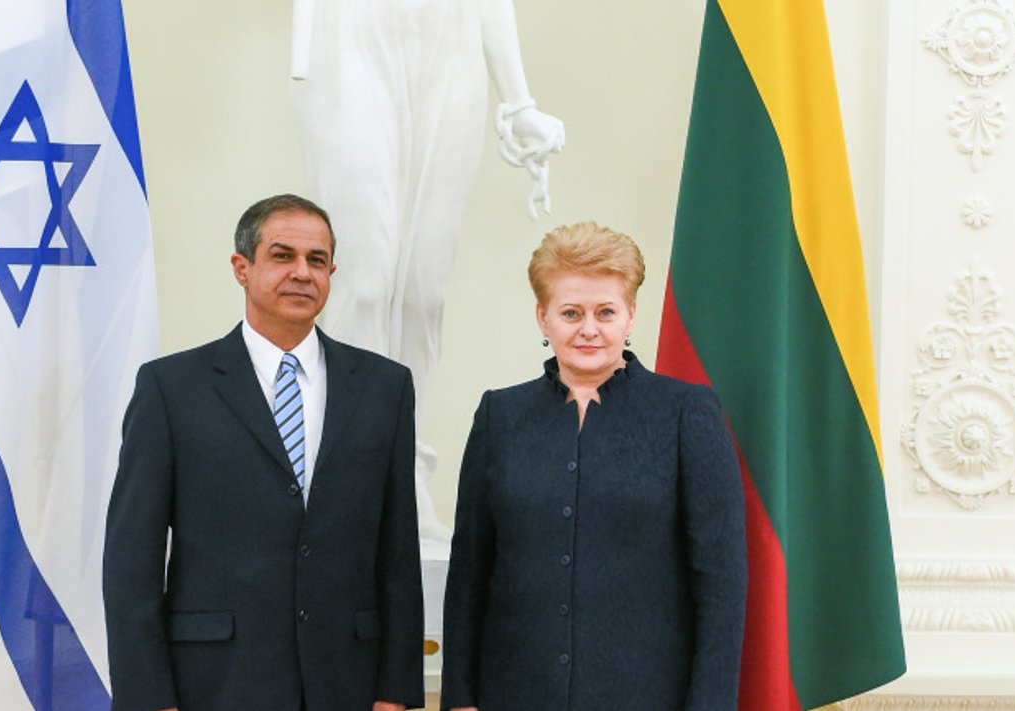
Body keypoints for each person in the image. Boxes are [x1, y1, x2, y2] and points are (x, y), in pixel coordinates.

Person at [103, 194, 425, 711]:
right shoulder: (171, 388)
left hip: (348, 684)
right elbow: (130, 562)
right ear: (242, 268)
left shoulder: (385, 389)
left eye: (316, 260)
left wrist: (396, 691)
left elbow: (398, 553)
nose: (302, 272)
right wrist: (148, 698)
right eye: (282, 256)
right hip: (213, 684)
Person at [287, 0, 566, 546]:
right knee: (364, 278)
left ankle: (405, 473)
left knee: (423, 288)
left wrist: (518, 99)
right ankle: (348, 475)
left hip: (449, 41)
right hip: (351, 33)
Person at [440, 222, 748, 710]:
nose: (588, 329)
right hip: (514, 694)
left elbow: (722, 584)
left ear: (631, 315)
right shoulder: (500, 416)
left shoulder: (687, 413)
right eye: (570, 313)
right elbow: (470, 574)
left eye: (606, 311)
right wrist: (459, 697)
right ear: (543, 317)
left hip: (648, 696)